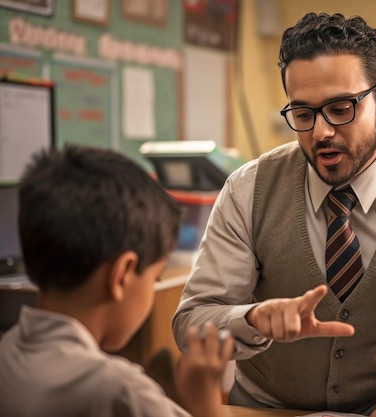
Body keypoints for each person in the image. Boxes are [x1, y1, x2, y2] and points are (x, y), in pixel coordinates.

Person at [173, 12, 376, 417]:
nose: (320, 132)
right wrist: (253, 318)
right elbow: (192, 320)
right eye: (303, 113)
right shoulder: (247, 191)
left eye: (340, 108)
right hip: (267, 409)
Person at [0, 146, 234, 417]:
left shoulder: (6, 352)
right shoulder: (120, 391)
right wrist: (205, 398)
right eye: (154, 277)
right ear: (121, 275)